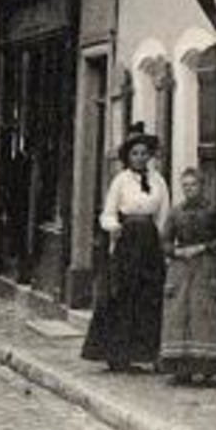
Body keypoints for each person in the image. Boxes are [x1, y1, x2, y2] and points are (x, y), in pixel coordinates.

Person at [81, 127, 171, 372]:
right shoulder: (120, 181)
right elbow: (107, 214)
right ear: (128, 157)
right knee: (121, 295)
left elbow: (163, 215)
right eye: (135, 154)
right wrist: (114, 227)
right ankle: (118, 354)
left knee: (148, 296)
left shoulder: (158, 181)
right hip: (127, 242)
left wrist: (163, 243)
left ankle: (144, 353)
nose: (141, 158)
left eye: (144, 153)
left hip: (149, 244)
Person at [160, 167, 216, 384]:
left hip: (205, 266)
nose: (189, 189)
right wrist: (177, 251)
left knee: (204, 314)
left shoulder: (212, 211)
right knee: (179, 314)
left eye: (193, 185)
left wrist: (203, 247)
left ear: (202, 186)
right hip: (181, 269)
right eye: (185, 185)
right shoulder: (176, 212)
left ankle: (206, 369)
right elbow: (165, 241)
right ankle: (181, 369)